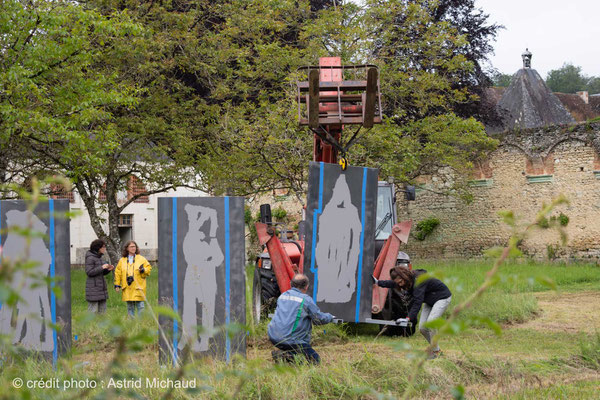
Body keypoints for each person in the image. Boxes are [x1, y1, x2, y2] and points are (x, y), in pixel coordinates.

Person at [374, 266, 452, 358]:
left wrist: (408, 318)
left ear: (404, 276)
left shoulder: (418, 281)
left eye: (400, 282)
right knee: (422, 328)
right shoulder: (406, 280)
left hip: (442, 298)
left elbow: (417, 302)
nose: (400, 285)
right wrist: (378, 282)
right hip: (430, 300)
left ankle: (435, 352)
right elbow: (393, 283)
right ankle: (436, 349)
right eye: (398, 283)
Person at [267, 274, 334, 364]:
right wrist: (330, 317)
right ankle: (285, 356)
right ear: (306, 287)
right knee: (315, 360)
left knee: (294, 350)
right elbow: (318, 319)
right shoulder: (306, 300)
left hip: (274, 337)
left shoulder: (283, 296)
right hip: (291, 340)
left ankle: (285, 355)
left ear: (291, 284)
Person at [114, 240, 152, 317]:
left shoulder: (141, 259)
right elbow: (118, 273)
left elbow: (149, 268)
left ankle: (141, 322)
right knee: (130, 307)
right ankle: (131, 322)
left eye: (134, 246)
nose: (133, 248)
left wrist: (143, 270)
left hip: (138, 287)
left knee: (140, 307)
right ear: (127, 248)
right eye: (131, 247)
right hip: (127, 287)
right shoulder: (122, 260)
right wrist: (117, 285)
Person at [85, 239, 114, 314]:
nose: (105, 248)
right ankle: (90, 323)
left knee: (103, 313)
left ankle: (102, 322)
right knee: (92, 313)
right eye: (103, 247)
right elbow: (89, 272)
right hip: (93, 289)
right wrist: (102, 267)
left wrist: (108, 270)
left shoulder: (99, 257)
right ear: (98, 248)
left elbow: (100, 273)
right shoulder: (90, 258)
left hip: (101, 288)